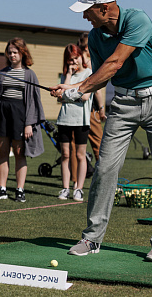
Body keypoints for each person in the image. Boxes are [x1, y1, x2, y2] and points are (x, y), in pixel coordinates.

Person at [51, 0, 152, 263]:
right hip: (123, 104)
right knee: (105, 169)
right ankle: (92, 238)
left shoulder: (137, 19)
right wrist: (71, 89)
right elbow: (101, 77)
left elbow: (115, 63)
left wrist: (78, 88)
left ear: (104, 8)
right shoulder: (95, 37)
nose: (85, 17)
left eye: (88, 11)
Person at [0, 38, 45, 202]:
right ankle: (2, 188)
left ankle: (19, 190)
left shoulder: (29, 74)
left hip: (21, 115)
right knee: (3, 152)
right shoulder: (2, 72)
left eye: (15, 52)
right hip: (3, 114)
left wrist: (29, 124)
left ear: (22, 53)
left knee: (20, 153)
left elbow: (33, 101)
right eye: (10, 52)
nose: (12, 55)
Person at [56, 44, 93, 202]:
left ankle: (79, 188)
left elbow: (84, 96)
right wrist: (69, 76)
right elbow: (60, 96)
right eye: (70, 60)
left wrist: (67, 95)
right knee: (65, 155)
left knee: (80, 155)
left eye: (76, 58)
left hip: (81, 120)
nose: (74, 62)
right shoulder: (66, 76)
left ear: (82, 57)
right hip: (64, 119)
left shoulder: (89, 74)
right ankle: (65, 188)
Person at [77, 32, 106, 168]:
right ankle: (102, 170)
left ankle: (75, 177)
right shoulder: (90, 64)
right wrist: (101, 109)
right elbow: (97, 90)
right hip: (90, 109)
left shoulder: (76, 62)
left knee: (76, 145)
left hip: (75, 108)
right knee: (99, 143)